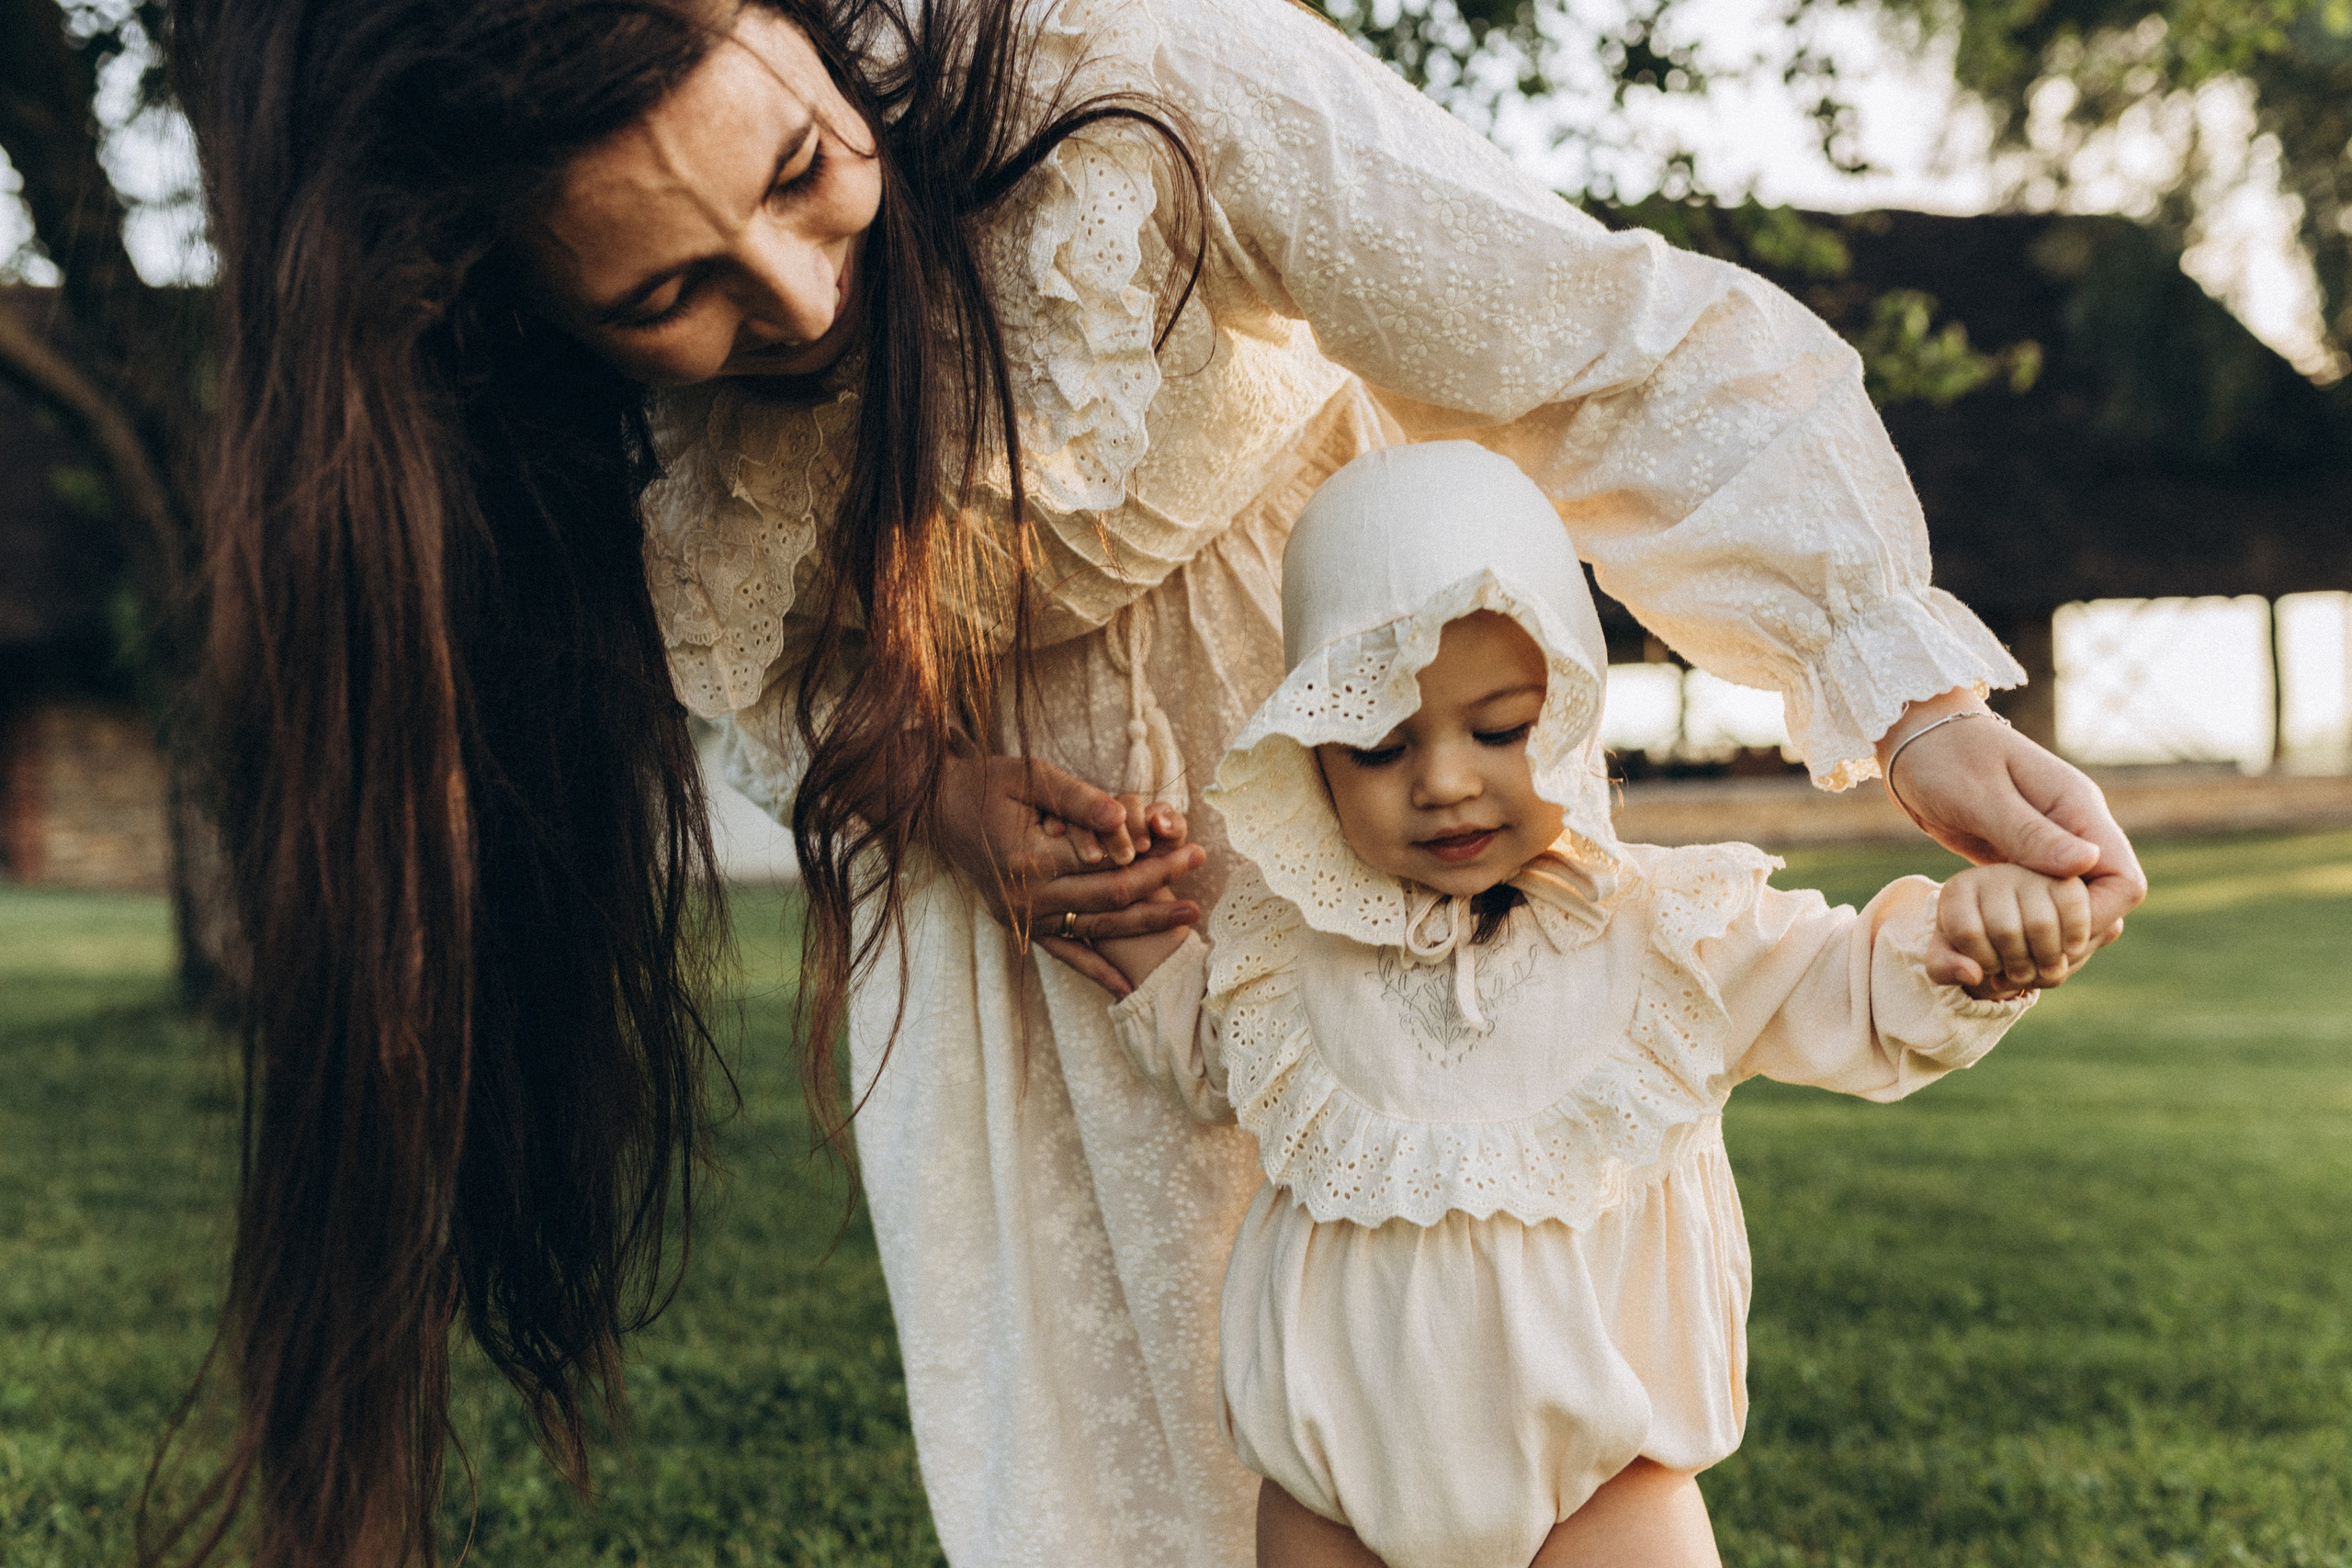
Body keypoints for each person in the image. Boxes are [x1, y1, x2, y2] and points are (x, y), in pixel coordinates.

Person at [167, 0, 2144, 1562]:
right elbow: (768, 672)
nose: (789, 299)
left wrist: (1902, 691)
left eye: (791, 173)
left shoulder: (1125, 81)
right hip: (1049, 949)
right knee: (1138, 1463)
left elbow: (1593, 349)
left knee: (1494, 1375)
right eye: (656, 298)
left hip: (1359, 736)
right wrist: (935, 789)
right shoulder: (564, 420)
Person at [1096, 442, 2097, 1567]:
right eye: (1379, 745)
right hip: (1331, 1499)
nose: (1442, 781)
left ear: (1571, 710)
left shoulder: (1673, 932)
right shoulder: (1288, 954)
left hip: (1605, 1488)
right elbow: (1208, 1056)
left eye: (1500, 728)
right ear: (1311, 752)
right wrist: (1129, 922)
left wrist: (1972, 945)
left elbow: (1855, 988)